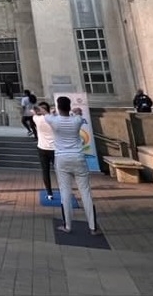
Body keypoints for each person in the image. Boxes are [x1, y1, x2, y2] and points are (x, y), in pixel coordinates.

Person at [48, 96, 100, 235]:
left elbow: (47, 114)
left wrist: (53, 112)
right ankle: (93, 227)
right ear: (69, 106)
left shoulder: (54, 121)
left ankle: (68, 226)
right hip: (78, 157)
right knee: (86, 192)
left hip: (62, 158)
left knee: (65, 192)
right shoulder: (76, 121)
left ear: (58, 107)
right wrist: (74, 112)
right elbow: (78, 113)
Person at [32, 101, 56, 200]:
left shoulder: (36, 119)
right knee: (60, 172)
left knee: (45, 171)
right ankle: (64, 191)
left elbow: (32, 110)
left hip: (42, 148)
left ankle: (49, 193)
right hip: (55, 149)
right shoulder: (54, 119)